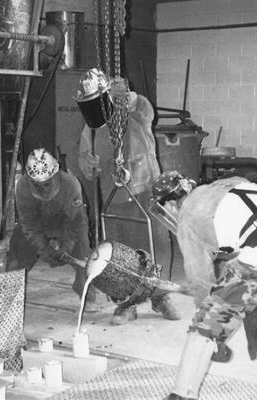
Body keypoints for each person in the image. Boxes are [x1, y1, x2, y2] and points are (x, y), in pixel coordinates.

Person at [148, 171, 257, 400]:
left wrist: (213, 332)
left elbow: (200, 280)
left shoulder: (188, 216)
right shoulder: (230, 183)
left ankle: (181, 396)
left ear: (172, 203)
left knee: (204, 324)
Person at [76, 69, 180, 325]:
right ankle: (126, 304)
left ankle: (160, 297)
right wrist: (88, 164)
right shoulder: (92, 128)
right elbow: (86, 165)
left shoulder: (136, 116)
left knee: (158, 247)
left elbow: (144, 109)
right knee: (120, 256)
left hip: (146, 191)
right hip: (115, 197)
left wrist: (128, 97)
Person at [8, 148, 98, 311]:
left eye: (46, 184)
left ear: (55, 174)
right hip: (40, 223)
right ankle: (9, 293)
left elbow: (76, 222)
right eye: (37, 184)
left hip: (68, 222)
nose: (42, 189)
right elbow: (29, 225)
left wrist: (65, 248)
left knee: (83, 251)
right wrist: (44, 251)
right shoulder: (22, 187)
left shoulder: (71, 184)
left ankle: (87, 293)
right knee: (17, 247)